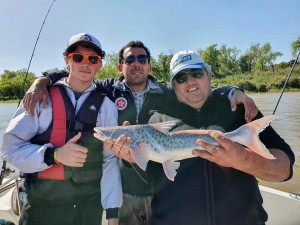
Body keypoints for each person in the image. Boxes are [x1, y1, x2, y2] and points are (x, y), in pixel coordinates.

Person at [22, 42, 258, 225]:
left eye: (142, 59)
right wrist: (42, 80)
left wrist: (233, 91)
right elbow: (77, 76)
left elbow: (198, 88)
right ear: (120, 66)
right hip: (125, 190)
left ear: (149, 66)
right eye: (130, 59)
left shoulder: (166, 91)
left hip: (158, 188)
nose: (136, 63)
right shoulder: (107, 88)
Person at [145, 50, 294, 224]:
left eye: (197, 73)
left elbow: (284, 170)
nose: (190, 81)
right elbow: (142, 183)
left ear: (209, 76)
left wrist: (243, 159)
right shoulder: (158, 122)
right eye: (181, 78)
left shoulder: (239, 108)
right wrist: (128, 161)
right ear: (174, 86)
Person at [1, 33, 122, 225]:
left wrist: (113, 213)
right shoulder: (40, 97)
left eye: (92, 59)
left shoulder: (107, 105)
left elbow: (109, 161)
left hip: (88, 207)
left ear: (99, 64)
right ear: (67, 60)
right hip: (42, 206)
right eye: (78, 57)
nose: (85, 64)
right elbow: (10, 150)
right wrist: (54, 155)